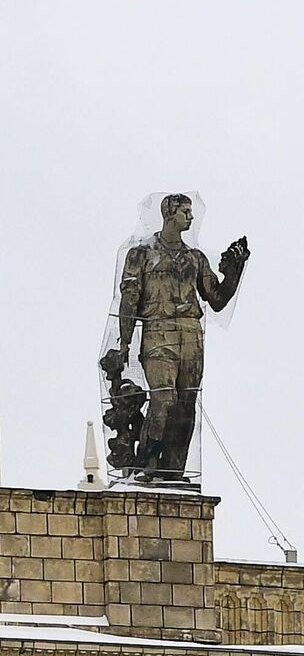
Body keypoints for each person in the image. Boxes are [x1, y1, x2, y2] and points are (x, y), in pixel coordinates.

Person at [109, 194, 249, 480]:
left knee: (186, 405)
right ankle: (145, 466)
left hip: (190, 333)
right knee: (163, 399)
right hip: (158, 330)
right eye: (186, 211)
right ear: (169, 213)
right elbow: (129, 299)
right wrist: (123, 343)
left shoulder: (194, 258)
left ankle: (172, 470)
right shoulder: (142, 253)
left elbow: (217, 299)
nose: (191, 217)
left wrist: (234, 271)